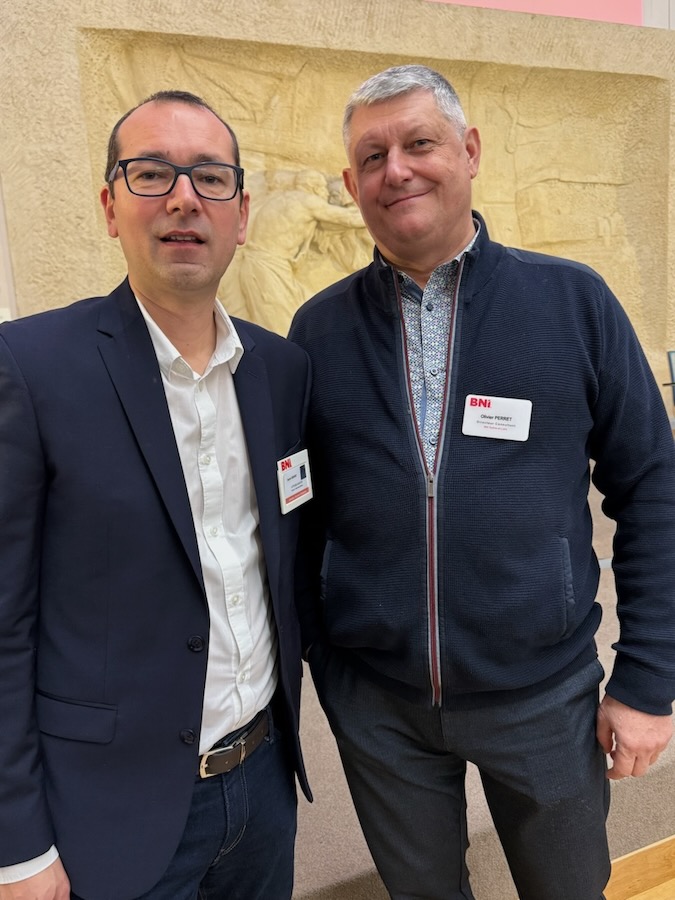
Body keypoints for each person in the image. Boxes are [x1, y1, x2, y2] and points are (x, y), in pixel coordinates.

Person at [289, 65, 675, 900]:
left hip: (543, 700)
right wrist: (328, 659)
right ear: (352, 186)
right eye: (371, 156)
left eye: (418, 143)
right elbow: (303, 514)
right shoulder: (317, 330)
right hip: (379, 706)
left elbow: (653, 491)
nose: (396, 169)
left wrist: (647, 680)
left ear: (468, 151)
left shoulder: (572, 303)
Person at [0, 90, 312, 900]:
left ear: (242, 215)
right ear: (110, 207)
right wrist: (18, 847)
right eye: (150, 173)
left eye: (210, 176)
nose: (182, 197)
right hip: (108, 817)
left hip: (263, 788)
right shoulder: (30, 368)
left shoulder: (282, 373)